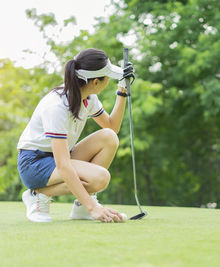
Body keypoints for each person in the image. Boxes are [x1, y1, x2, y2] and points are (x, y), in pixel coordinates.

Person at [17, 48, 134, 222]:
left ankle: (81, 207)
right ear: (95, 82)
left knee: (109, 137)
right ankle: (37, 194)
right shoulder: (56, 107)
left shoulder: (88, 97)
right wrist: (93, 208)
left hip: (60, 157)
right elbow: (63, 165)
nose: (108, 80)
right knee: (100, 178)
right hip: (34, 163)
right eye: (107, 77)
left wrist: (122, 90)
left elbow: (111, 126)